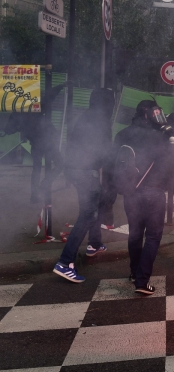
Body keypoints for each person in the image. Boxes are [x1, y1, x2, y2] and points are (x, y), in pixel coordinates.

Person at [53, 88, 115, 283]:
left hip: (76, 169)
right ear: (107, 104)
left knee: (95, 206)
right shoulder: (101, 121)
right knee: (88, 214)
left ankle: (94, 244)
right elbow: (104, 150)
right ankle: (65, 262)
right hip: (84, 171)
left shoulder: (86, 116)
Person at [113, 100, 173, 295]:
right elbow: (168, 166)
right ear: (148, 114)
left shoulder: (122, 134)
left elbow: (112, 162)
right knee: (153, 236)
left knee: (135, 234)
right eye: (156, 112)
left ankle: (133, 272)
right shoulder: (160, 136)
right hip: (153, 192)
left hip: (131, 192)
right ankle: (142, 280)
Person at [1, 83, 67, 203]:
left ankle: (35, 194)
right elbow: (49, 96)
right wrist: (61, 86)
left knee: (37, 169)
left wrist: (9, 130)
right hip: (45, 141)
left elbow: (10, 129)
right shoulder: (33, 107)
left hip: (39, 142)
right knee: (59, 164)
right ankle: (43, 186)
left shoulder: (19, 111)